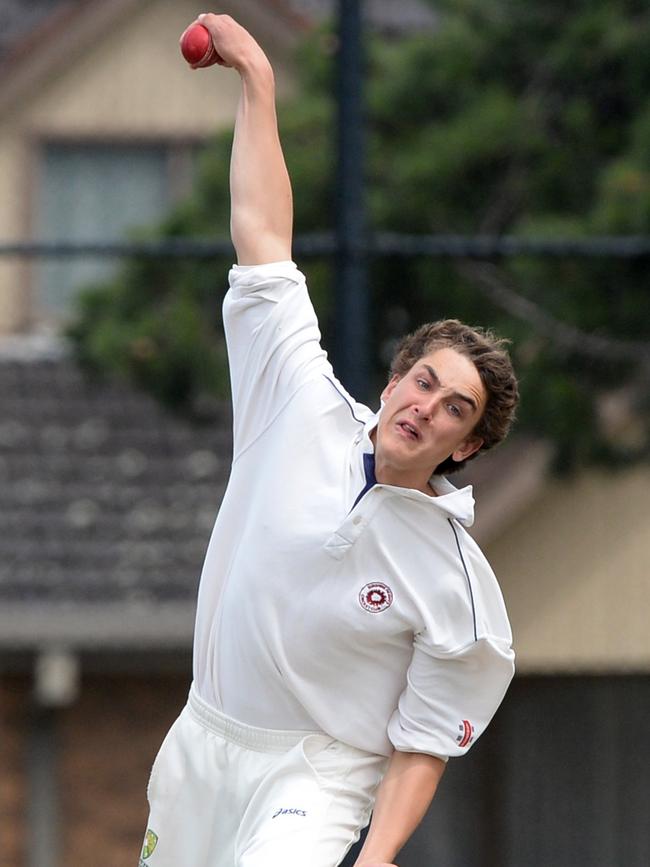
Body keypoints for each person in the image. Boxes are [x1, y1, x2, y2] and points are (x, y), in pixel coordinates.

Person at [140, 13, 519, 867]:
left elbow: (426, 739)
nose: (428, 406)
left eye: (456, 408)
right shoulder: (297, 401)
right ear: (393, 381)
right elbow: (264, 238)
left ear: (466, 446)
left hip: (316, 774)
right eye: (423, 381)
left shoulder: (454, 578)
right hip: (202, 739)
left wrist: (378, 855)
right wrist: (258, 80)